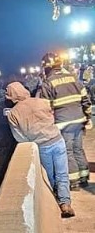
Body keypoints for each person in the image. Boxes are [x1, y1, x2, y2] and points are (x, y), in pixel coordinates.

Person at [5, 81, 75, 218]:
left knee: (49, 177)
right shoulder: (42, 101)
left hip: (42, 146)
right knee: (62, 174)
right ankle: (65, 203)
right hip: (57, 140)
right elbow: (52, 117)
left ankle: (55, 202)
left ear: (10, 96)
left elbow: (19, 137)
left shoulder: (13, 114)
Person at [39, 52, 92, 190]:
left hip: (63, 123)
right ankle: (84, 177)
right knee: (78, 149)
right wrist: (88, 118)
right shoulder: (73, 78)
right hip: (79, 120)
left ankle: (73, 182)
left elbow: (45, 108)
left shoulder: (47, 83)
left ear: (47, 67)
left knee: (68, 151)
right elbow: (86, 100)